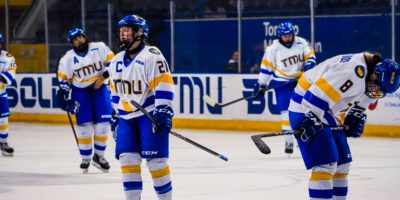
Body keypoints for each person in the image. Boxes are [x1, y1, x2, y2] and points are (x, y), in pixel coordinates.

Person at [288, 52, 400, 199]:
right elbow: (313, 98)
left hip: (328, 111)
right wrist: (311, 119)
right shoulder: (352, 73)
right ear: (374, 75)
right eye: (378, 87)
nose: (377, 92)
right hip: (305, 107)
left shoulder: (369, 74)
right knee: (325, 165)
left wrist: (356, 113)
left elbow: (364, 97)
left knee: (342, 164)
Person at [107, 14, 174, 200]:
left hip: (149, 116)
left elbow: (164, 85)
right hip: (126, 119)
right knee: (127, 161)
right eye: (121, 31)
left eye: (127, 31)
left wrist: (163, 110)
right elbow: (114, 92)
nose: (123, 35)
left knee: (157, 162)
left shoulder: (152, 56)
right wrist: (115, 116)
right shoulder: (115, 61)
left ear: (140, 33)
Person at [57, 28, 114, 173]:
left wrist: (102, 78)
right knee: (85, 128)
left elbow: (113, 63)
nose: (79, 40)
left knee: (103, 125)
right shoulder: (67, 59)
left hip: (100, 90)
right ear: (72, 43)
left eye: (81, 37)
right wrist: (64, 95)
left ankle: (99, 156)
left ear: (85, 36)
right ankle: (86, 158)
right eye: (76, 39)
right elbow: (63, 81)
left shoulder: (100, 48)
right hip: (80, 92)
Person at [254, 22, 316, 154]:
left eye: (289, 35)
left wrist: (310, 64)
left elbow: (310, 56)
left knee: (304, 109)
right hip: (281, 82)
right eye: (285, 36)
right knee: (285, 113)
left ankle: (302, 138)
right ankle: (288, 140)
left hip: (300, 81)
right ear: (280, 36)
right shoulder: (272, 49)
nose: (288, 37)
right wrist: (262, 84)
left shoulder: (301, 42)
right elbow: (266, 69)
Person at [0, 33, 17, 157]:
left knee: (3, 119)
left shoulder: (7, 58)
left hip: (1, 94)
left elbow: (9, 75)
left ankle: (3, 143)